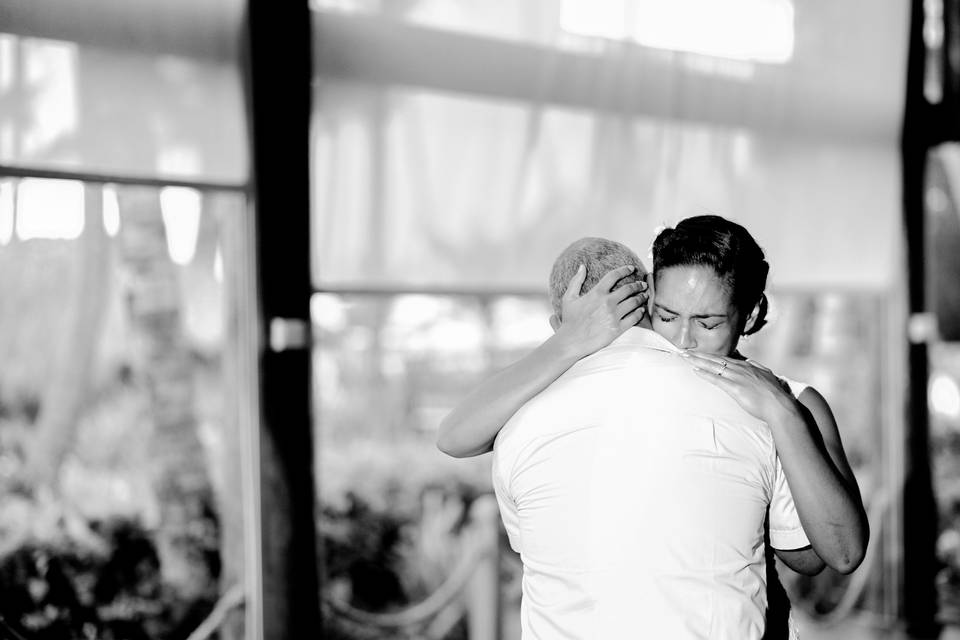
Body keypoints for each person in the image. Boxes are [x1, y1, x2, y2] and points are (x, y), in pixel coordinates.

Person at [438, 217, 869, 635]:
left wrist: (780, 412)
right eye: (665, 315)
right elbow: (454, 436)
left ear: (750, 313)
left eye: (708, 323)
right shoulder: (608, 391)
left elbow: (822, 554)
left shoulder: (789, 401)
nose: (682, 341)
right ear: (647, 304)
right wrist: (572, 341)